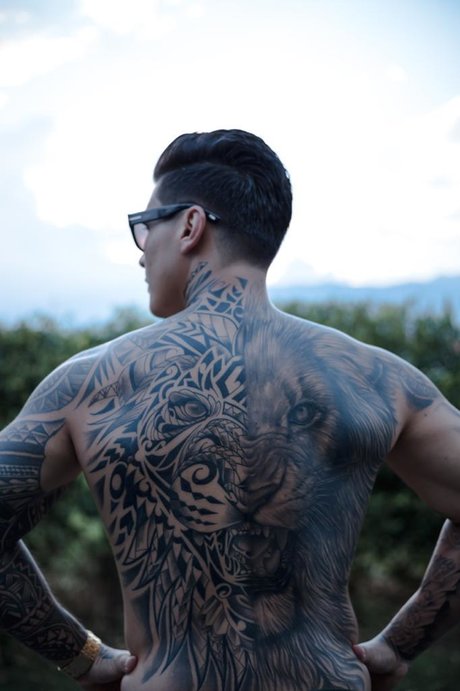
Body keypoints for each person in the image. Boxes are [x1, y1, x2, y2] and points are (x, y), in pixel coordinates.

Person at [0, 129, 459, 691]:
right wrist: (400, 644)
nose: (141, 250)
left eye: (145, 226)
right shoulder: (377, 379)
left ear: (190, 226)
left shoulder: (90, 384)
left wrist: (80, 654)